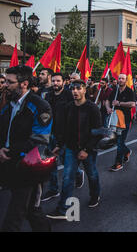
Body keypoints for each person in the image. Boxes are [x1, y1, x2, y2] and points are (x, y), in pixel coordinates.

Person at [0, 65, 52, 231]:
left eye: (10, 82)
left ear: (24, 83)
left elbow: (39, 139)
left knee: (14, 217)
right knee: (31, 210)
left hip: (28, 167)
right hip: (7, 164)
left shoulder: (40, 106)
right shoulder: (9, 104)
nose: (5, 85)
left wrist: (11, 152)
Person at [46, 79, 102, 219]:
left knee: (92, 175)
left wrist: (87, 150)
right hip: (71, 149)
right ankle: (63, 209)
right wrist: (59, 144)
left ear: (84, 90)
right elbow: (65, 129)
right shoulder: (68, 107)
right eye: (73, 89)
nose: (75, 91)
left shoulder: (92, 108)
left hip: (88, 150)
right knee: (67, 178)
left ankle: (95, 196)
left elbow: (98, 132)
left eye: (78, 88)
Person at [42, 73, 84, 202]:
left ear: (63, 82)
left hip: (65, 135)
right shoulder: (48, 95)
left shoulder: (68, 95)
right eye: (53, 81)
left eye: (58, 81)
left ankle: (78, 173)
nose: (55, 83)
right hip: (50, 133)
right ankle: (53, 189)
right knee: (50, 163)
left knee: (66, 162)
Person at [106, 73, 136, 171]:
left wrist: (119, 103)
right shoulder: (114, 91)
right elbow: (107, 100)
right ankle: (127, 151)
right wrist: (108, 108)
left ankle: (118, 163)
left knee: (120, 141)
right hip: (115, 120)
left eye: (123, 78)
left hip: (125, 120)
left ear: (126, 80)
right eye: (119, 78)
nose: (120, 80)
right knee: (117, 141)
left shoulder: (129, 91)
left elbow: (132, 103)